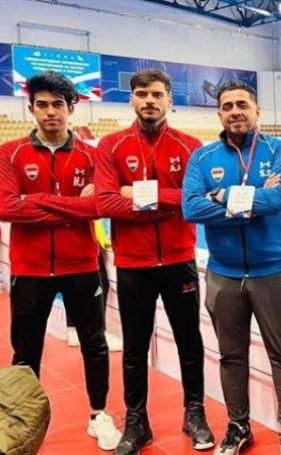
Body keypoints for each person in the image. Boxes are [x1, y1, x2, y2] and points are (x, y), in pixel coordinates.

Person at [95, 69, 214, 455]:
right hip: (133, 263)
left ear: (169, 101)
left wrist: (137, 195)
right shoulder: (110, 146)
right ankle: (137, 421)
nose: (150, 100)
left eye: (157, 94)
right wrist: (168, 200)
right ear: (132, 99)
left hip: (179, 260)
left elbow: (194, 201)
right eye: (142, 94)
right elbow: (106, 203)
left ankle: (194, 412)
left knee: (189, 343)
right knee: (134, 348)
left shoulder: (191, 146)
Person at [0, 70, 121, 450]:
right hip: (29, 268)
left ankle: (99, 414)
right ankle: (20, 425)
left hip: (82, 265)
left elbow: (101, 205)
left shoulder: (92, 155)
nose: (50, 111)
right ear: (31, 108)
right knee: (25, 351)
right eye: (42, 104)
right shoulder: (10, 153)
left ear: (71, 108)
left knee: (94, 344)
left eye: (57, 104)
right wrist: (73, 206)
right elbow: (6, 207)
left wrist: (33, 202)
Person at [182, 81, 281, 455]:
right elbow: (191, 207)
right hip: (224, 273)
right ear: (219, 113)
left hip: (273, 271)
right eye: (227, 106)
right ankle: (238, 426)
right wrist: (250, 204)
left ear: (257, 110)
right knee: (232, 356)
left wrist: (219, 197)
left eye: (242, 104)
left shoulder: (280, 150)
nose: (235, 111)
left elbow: (278, 199)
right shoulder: (203, 158)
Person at [65, 218, 122, 352]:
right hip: (85, 236)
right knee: (98, 283)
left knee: (74, 281)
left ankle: (74, 329)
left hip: (75, 235)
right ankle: (98, 333)